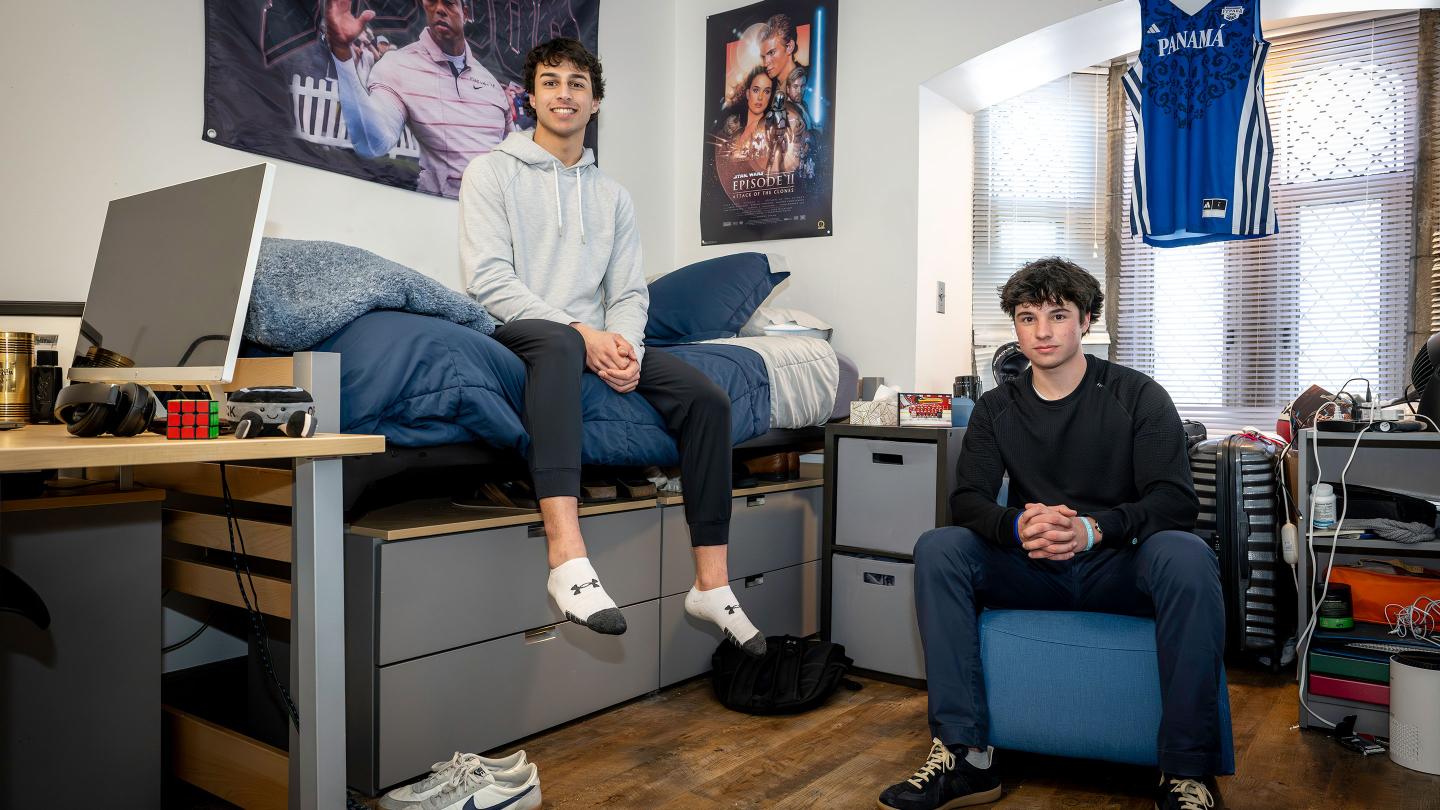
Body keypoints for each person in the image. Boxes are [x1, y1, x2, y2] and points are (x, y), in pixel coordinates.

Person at [877, 257, 1229, 810]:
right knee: (939, 547)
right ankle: (966, 758)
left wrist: (1093, 529)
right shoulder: (996, 409)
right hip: (1032, 565)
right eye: (1027, 317)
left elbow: (1174, 501)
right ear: (1014, 327)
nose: (1042, 331)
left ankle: (1186, 772)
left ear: (1086, 322)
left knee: (1184, 554)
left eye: (1058, 315)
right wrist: (1015, 524)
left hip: (1118, 564)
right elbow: (967, 500)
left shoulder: (1139, 396)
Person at [459, 38, 766, 656]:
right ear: (531, 96)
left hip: (599, 335)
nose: (564, 93)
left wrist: (621, 343)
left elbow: (628, 290)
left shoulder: (613, 196)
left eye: (577, 83)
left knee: (708, 398)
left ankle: (711, 582)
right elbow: (489, 281)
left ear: (594, 101)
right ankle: (566, 558)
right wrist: (584, 335)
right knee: (560, 348)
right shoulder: (489, 171)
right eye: (551, 81)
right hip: (520, 328)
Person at [324, 0, 515, 198]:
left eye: (449, 3)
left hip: (494, 218)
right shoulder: (398, 65)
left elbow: (512, 162)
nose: (439, 9)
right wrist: (342, 54)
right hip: (437, 217)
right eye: (432, 2)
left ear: (465, 13)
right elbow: (371, 143)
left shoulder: (491, 84)